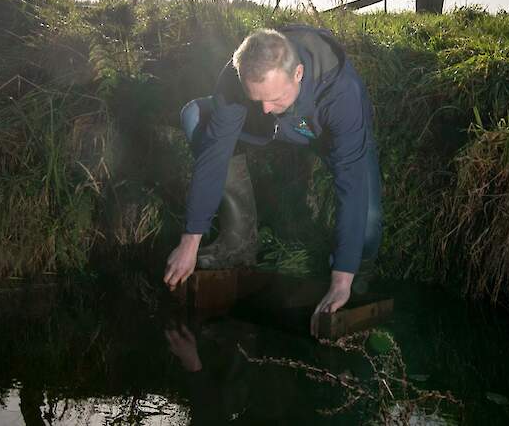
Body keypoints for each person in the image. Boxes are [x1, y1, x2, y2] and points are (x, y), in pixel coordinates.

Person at [163, 26, 383, 337]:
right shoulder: (238, 78)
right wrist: (191, 238)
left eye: (275, 97)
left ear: (298, 74)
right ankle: (240, 240)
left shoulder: (341, 91)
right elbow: (214, 153)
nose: (265, 108)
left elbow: (352, 183)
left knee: (369, 223)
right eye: (257, 98)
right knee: (194, 116)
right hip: (270, 130)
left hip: (323, 132)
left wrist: (342, 277)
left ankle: (357, 279)